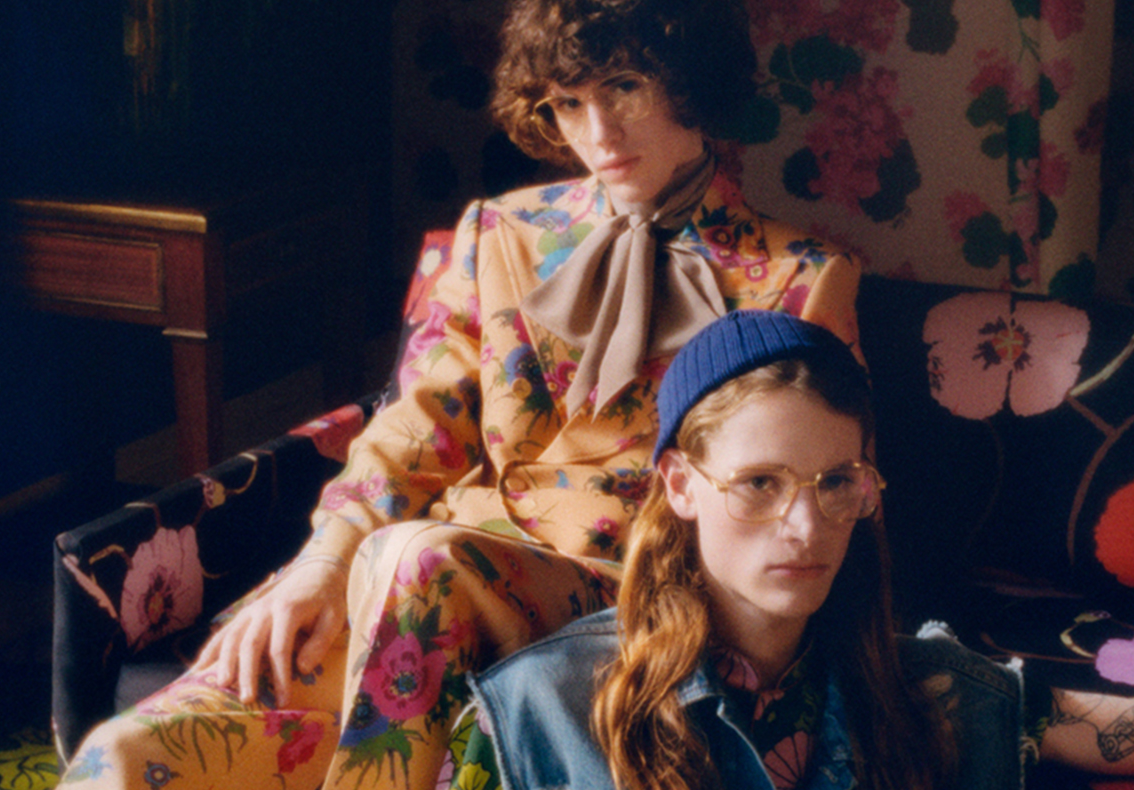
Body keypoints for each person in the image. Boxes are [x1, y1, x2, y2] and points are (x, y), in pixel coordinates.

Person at [58, 1, 861, 788]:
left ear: (690, 76)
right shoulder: (497, 233)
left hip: (628, 603)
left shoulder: (801, 279)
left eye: (623, 88)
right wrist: (323, 566)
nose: (597, 133)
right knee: (124, 758)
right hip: (425, 594)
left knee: (418, 558)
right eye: (568, 103)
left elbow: (816, 504)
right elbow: (412, 432)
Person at [465, 310, 1134, 790]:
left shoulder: (923, 692)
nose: (806, 526)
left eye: (836, 482)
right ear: (682, 486)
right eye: (759, 483)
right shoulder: (544, 705)